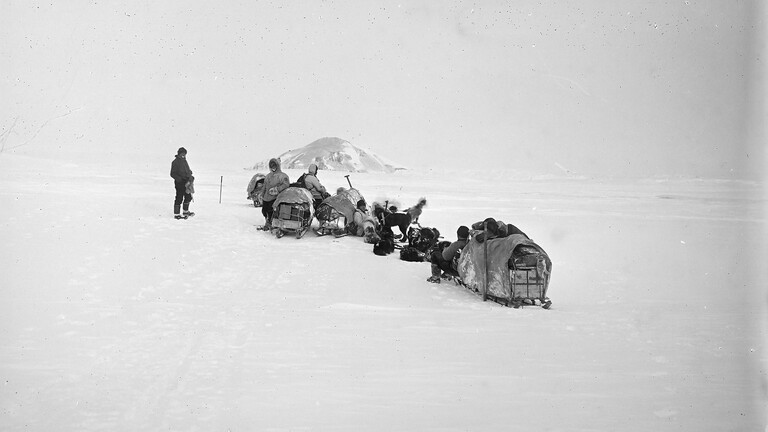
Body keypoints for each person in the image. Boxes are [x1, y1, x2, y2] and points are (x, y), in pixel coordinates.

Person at [259, 158, 290, 228]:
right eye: (271, 166)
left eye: (274, 166)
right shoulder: (268, 176)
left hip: (276, 197)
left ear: (277, 166)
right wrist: (262, 194)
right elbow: (264, 186)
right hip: (266, 197)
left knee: (271, 211)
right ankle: (267, 221)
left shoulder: (282, 176)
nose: (273, 168)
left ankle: (271, 222)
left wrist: (277, 189)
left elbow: (286, 184)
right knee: (264, 211)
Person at [169, 147, 194, 219]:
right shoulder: (175, 162)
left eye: (185, 154)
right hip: (179, 183)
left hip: (187, 182)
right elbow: (172, 173)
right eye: (182, 154)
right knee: (179, 197)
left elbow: (188, 171)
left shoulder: (185, 161)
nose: (184, 155)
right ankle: (176, 214)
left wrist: (190, 177)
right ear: (179, 154)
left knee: (188, 196)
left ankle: (185, 211)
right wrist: (179, 179)